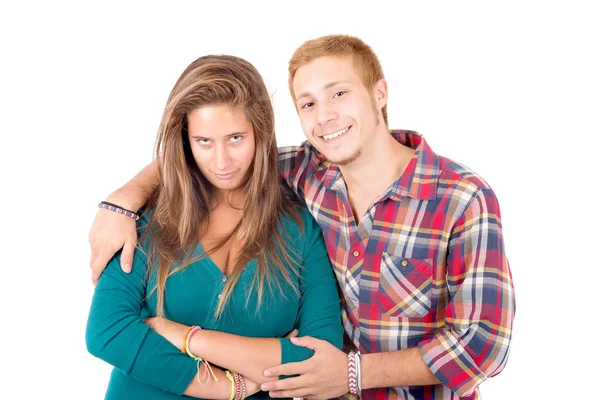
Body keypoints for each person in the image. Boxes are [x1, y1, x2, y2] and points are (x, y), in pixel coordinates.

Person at [89, 35, 515, 400]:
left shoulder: (460, 197)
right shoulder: (308, 171)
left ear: (379, 93)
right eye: (308, 103)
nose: (325, 115)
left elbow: (484, 346)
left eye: (339, 93)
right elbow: (210, 156)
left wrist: (351, 372)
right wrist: (121, 201)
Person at [85, 54, 343, 400]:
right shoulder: (148, 218)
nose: (221, 162)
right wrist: (229, 386)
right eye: (204, 142)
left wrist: (185, 336)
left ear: (260, 133)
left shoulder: (299, 230)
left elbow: (318, 361)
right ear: (186, 141)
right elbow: (107, 332)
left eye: (235, 138)